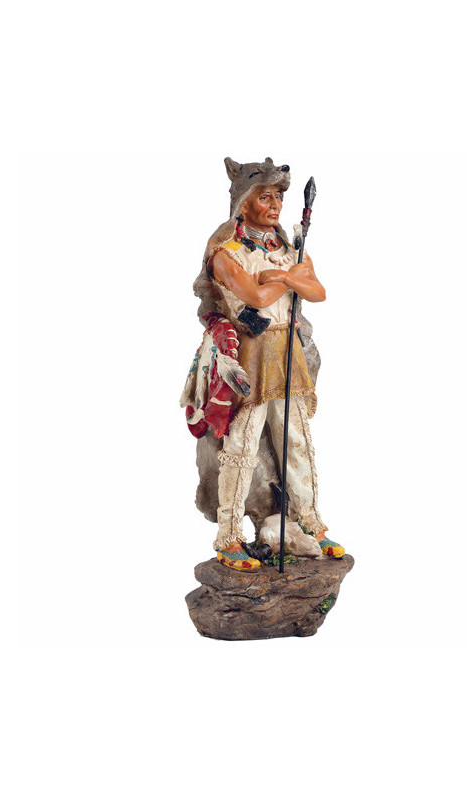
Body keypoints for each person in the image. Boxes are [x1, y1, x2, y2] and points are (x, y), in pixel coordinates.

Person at [185, 157, 345, 570]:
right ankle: (229, 535)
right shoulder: (227, 254)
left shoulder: (288, 250)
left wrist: (283, 277)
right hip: (251, 354)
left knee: (296, 442)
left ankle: (309, 523)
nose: (275, 206)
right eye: (265, 197)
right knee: (241, 446)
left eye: (278, 197)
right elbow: (253, 297)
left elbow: (317, 291)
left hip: (288, 351)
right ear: (244, 202)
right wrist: (288, 280)